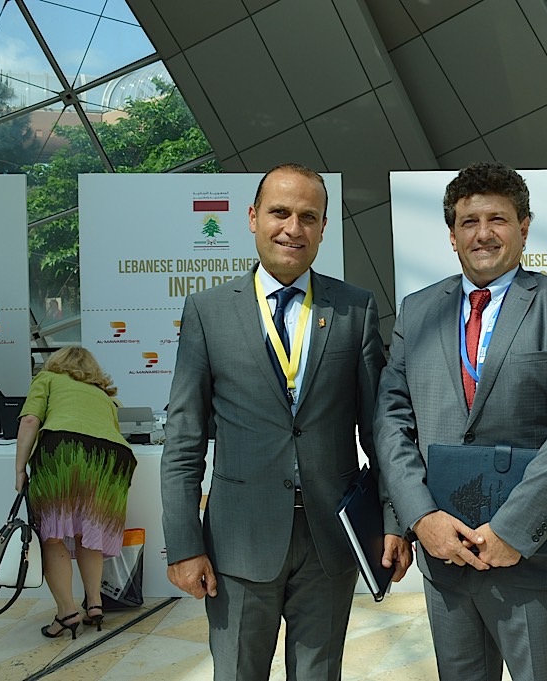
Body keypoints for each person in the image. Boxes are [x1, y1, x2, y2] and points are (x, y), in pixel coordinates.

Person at [160, 163, 412, 681]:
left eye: (307, 217)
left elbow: (380, 431)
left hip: (331, 540)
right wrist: (184, 544)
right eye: (279, 213)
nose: (292, 228)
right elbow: (184, 438)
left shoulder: (355, 309)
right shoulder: (208, 312)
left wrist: (393, 521)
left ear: (323, 228)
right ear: (253, 218)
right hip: (238, 542)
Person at [374, 161, 547, 681]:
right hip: (444, 555)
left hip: (531, 557)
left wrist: (513, 530)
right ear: (452, 235)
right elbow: (391, 421)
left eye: (497, 219)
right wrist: (420, 518)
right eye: (469, 222)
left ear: (524, 226)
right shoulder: (417, 311)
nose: (483, 234)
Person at [15, 346, 136, 640]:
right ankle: (94, 604)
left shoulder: (47, 378)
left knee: (52, 536)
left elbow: (30, 420)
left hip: (64, 450)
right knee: (89, 532)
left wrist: (19, 469)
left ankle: (67, 612)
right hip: (113, 460)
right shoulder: (104, 395)